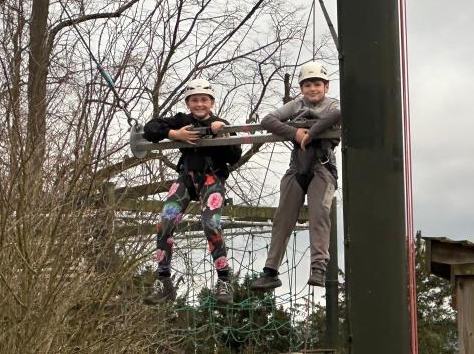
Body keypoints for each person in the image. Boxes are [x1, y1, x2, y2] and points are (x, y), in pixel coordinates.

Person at [142, 78, 242, 305]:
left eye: (204, 100)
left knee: (210, 223)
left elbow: (234, 155)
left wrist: (221, 135)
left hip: (211, 179)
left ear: (211, 102)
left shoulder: (220, 124)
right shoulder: (182, 121)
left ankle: (224, 279)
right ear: (188, 103)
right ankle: (164, 281)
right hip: (187, 178)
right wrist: (175, 134)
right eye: (194, 100)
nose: (199, 104)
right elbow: (150, 129)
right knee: (165, 221)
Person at [250, 61, 340, 290]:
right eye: (307, 85)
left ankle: (318, 267)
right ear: (301, 88)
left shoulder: (332, 105)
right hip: (297, 166)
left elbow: (338, 114)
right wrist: (294, 133)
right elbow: (268, 120)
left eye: (317, 84)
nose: (312, 89)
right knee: (283, 217)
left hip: (322, 166)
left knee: (319, 214)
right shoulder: (296, 104)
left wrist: (311, 133)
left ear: (326, 86)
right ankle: (270, 271)